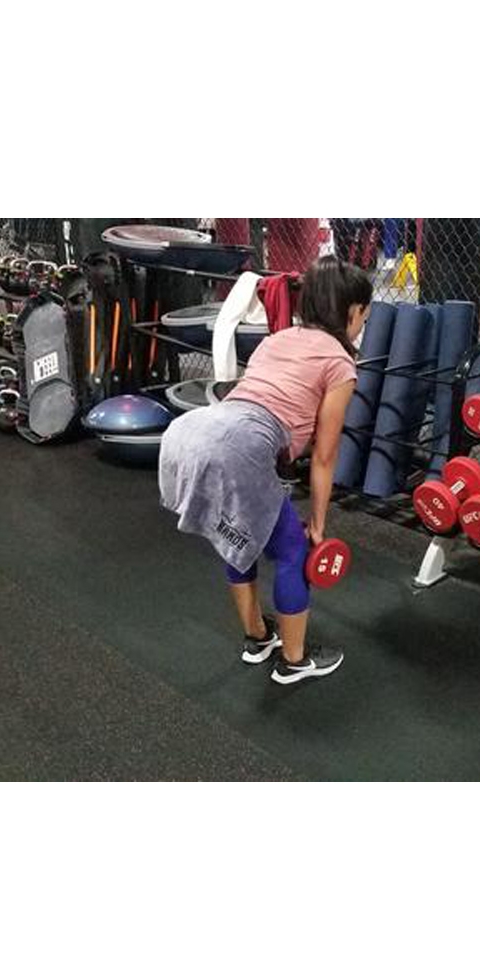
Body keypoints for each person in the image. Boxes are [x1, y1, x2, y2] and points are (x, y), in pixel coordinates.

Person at [159, 256, 372, 685]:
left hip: (191, 430)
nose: (363, 323)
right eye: (364, 315)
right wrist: (318, 524)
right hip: (238, 445)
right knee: (292, 552)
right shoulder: (340, 363)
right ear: (352, 312)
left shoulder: (277, 340)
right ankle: (294, 661)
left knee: (238, 536)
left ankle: (258, 638)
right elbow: (325, 455)